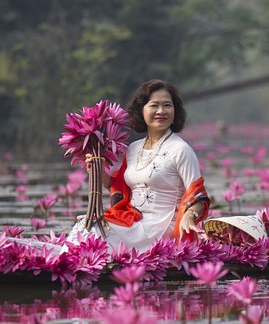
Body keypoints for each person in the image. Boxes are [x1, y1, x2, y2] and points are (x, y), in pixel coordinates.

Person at [69, 79, 210, 252]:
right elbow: (120, 190)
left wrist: (189, 215)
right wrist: (98, 170)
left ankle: (70, 266)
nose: (161, 111)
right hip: (133, 221)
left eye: (167, 105)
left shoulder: (180, 149)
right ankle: (71, 263)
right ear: (141, 110)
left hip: (161, 228)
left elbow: (198, 197)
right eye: (154, 105)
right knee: (87, 224)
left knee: (93, 230)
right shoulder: (133, 148)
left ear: (175, 111)